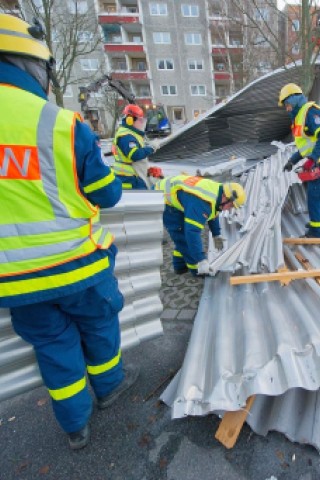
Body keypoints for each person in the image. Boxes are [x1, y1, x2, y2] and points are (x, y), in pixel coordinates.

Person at [0, 14, 139, 450]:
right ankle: (111, 388)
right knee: (99, 328)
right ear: (31, 64)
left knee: (54, 350)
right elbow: (107, 194)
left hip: (16, 279)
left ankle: (75, 425)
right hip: (78, 265)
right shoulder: (61, 123)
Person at [154, 175, 246, 276]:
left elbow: (213, 213)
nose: (229, 209)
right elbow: (192, 233)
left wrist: (217, 234)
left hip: (174, 194)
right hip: (163, 199)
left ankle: (179, 266)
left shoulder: (218, 191)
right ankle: (196, 270)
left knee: (183, 239)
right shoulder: (202, 203)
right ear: (225, 197)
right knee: (183, 237)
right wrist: (201, 260)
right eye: (231, 205)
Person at [280, 83, 320, 238]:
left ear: (295, 99)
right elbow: (306, 146)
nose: (287, 109)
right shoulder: (300, 117)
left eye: (288, 105)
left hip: (317, 160)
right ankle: (316, 224)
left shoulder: (310, 112)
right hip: (316, 160)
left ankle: (316, 231)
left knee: (314, 194)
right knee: (314, 194)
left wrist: (312, 160)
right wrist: (292, 160)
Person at [112, 104, 157, 189]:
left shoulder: (131, 134)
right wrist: (151, 148)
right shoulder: (126, 136)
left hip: (131, 176)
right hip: (129, 178)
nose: (142, 123)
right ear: (130, 120)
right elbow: (135, 155)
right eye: (140, 120)